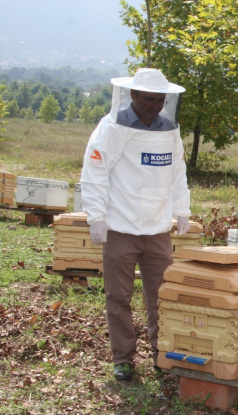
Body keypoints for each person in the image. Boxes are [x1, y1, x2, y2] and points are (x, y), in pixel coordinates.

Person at [80, 68, 191, 381]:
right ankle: (123, 358)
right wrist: (96, 217)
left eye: (160, 100)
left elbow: (177, 172)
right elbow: (95, 173)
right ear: (132, 95)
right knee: (118, 297)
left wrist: (182, 210)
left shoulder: (169, 130)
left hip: (158, 229)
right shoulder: (111, 128)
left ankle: (162, 354)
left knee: (162, 296)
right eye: (148, 99)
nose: (154, 106)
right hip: (120, 227)